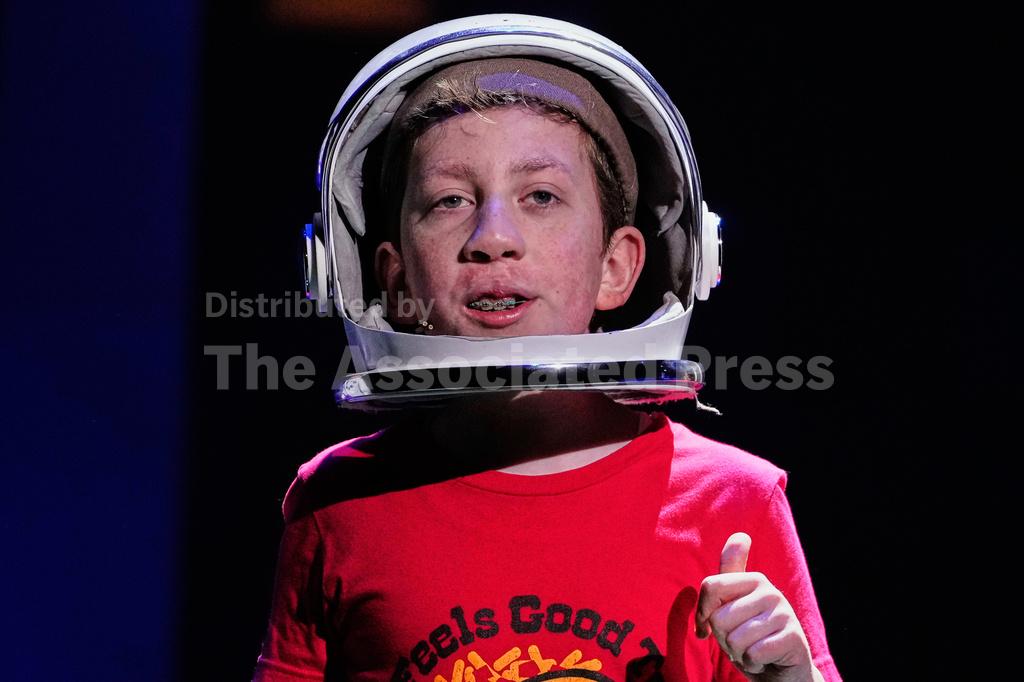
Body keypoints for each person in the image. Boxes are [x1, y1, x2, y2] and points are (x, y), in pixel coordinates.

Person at [255, 15, 840, 682]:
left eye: (540, 195)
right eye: (450, 200)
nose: (493, 238)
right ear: (394, 279)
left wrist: (789, 676)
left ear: (616, 267)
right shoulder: (335, 502)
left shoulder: (736, 502)